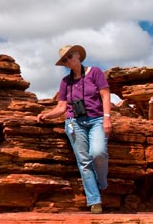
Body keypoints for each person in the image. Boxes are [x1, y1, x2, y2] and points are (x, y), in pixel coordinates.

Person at [37, 44, 111, 213]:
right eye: (64, 60)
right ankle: (94, 201)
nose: (67, 61)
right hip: (74, 123)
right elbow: (61, 107)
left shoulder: (95, 72)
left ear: (78, 55)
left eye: (69, 57)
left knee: (98, 153)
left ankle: (102, 182)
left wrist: (107, 118)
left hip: (97, 119)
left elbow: (106, 96)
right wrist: (46, 115)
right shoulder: (65, 82)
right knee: (84, 162)